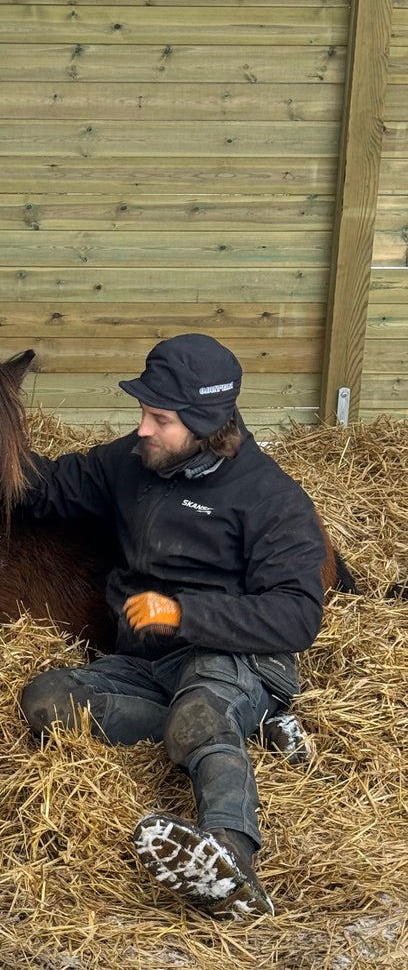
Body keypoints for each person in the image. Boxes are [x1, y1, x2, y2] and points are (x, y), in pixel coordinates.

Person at [19, 334, 330, 921]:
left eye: (159, 418)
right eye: (143, 412)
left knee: (200, 709)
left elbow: (297, 614)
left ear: (207, 423)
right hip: (145, 659)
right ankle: (242, 730)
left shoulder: (271, 498)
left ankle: (233, 860)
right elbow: (48, 486)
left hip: (232, 656)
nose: (142, 429)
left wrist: (183, 613)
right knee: (47, 701)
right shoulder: (132, 464)